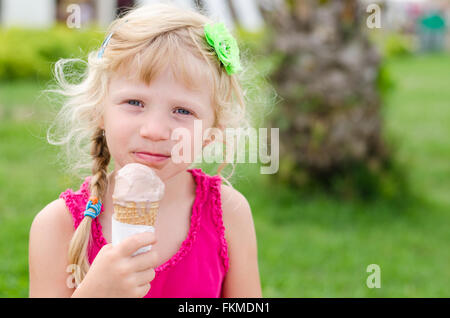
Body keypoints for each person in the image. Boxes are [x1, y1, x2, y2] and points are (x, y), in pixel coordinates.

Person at [29, 3, 262, 298]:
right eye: (135, 103)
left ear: (211, 131)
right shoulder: (58, 225)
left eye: (182, 110)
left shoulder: (229, 213)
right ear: (100, 110)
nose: (155, 130)